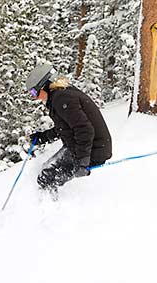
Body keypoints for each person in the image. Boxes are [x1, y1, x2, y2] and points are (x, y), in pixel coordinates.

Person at [26, 64, 112, 192]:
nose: (35, 97)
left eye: (34, 92)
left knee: (46, 177)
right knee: (45, 170)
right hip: (83, 147)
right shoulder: (61, 95)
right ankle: (50, 202)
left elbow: (84, 129)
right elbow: (65, 127)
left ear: (45, 85)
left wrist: (82, 161)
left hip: (93, 150)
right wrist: (43, 137)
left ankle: (52, 208)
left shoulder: (62, 98)